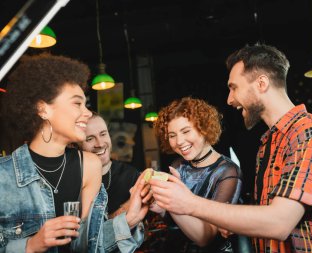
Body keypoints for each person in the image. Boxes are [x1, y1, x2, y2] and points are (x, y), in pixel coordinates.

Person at [150, 44, 312, 252]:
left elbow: (279, 223)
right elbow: (268, 216)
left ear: (262, 83)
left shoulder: (310, 134)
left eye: (234, 87)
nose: (230, 100)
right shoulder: (270, 143)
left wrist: (189, 203)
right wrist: (232, 222)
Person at [0, 53, 150, 253]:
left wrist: (129, 218)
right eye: (77, 103)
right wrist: (30, 245)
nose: (87, 113)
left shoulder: (89, 165)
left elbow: (90, 245)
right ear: (43, 109)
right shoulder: (4, 175)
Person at [151, 96, 243, 252]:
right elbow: (177, 223)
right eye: (172, 135)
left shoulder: (228, 171)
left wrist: (171, 202)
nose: (179, 141)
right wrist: (161, 209)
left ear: (204, 128)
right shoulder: (177, 165)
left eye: (186, 131)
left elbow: (206, 239)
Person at [78, 112, 140, 218]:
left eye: (103, 134)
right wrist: (128, 205)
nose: (100, 144)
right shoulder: (71, 180)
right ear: (76, 145)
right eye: (90, 139)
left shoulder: (131, 175)